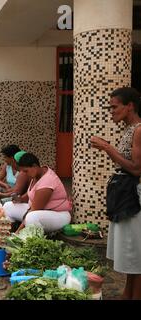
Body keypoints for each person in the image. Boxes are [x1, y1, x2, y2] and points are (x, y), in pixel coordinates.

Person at [90, 87, 141, 300]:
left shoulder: (139, 130)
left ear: (129, 106)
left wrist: (107, 148)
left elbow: (137, 168)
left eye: (114, 107)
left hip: (134, 198)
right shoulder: (129, 129)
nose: (111, 111)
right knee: (130, 252)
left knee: (136, 254)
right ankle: (127, 293)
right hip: (126, 196)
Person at [2, 153, 72, 233]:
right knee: (8, 206)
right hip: (41, 212)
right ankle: (7, 232)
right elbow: (30, 195)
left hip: (59, 216)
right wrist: (20, 199)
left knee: (31, 217)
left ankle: (21, 236)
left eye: (26, 171)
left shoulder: (47, 182)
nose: (25, 174)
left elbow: (33, 210)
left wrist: (17, 232)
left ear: (34, 166)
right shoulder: (36, 174)